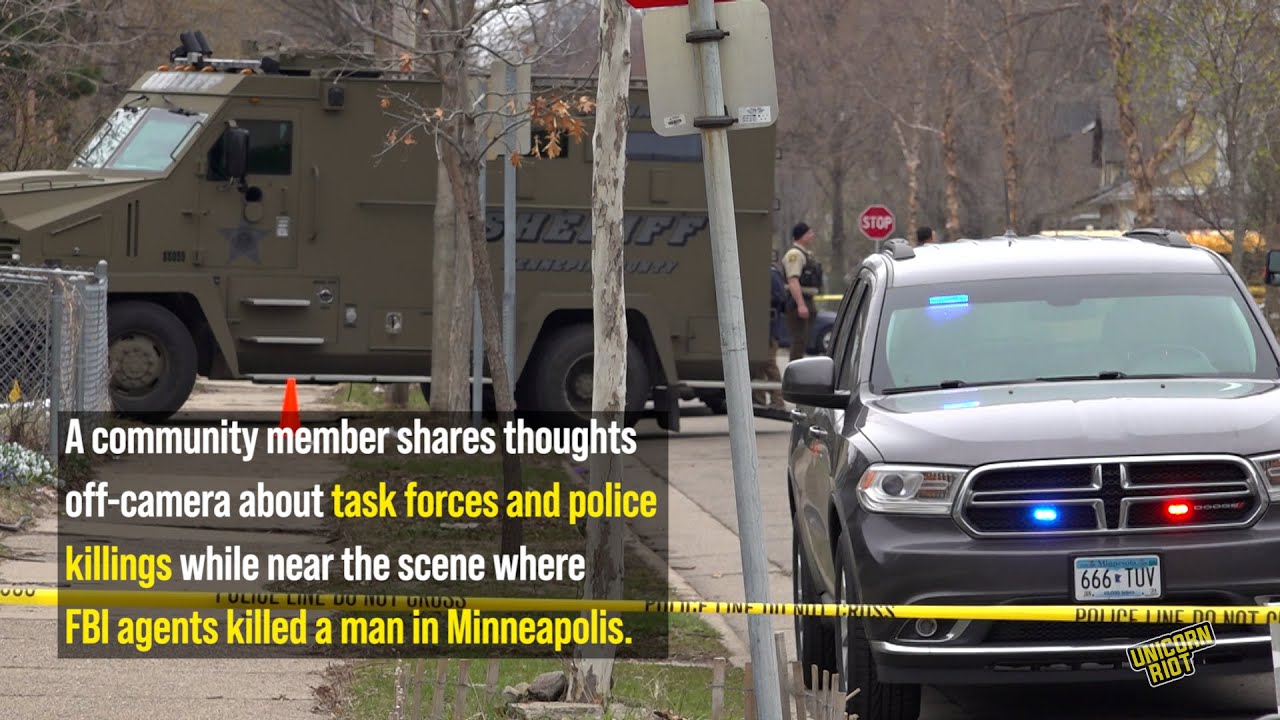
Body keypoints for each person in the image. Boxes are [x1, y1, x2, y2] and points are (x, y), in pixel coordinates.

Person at [782, 222, 822, 361]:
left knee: (804, 340)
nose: (812, 235)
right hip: (798, 300)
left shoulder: (805, 254)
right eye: (809, 233)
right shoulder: (795, 254)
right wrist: (800, 304)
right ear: (801, 235)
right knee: (799, 340)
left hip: (806, 299)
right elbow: (793, 280)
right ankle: (794, 370)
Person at [754, 251, 788, 409]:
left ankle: (777, 399)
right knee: (756, 364)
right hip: (758, 326)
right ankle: (758, 398)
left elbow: (780, 298)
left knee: (768, 363)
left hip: (769, 327)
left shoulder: (772, 274)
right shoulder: (759, 272)